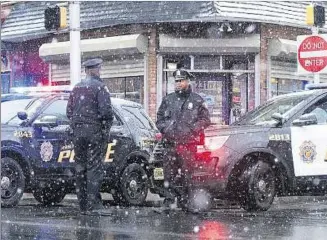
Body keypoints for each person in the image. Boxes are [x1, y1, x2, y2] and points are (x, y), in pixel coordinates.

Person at [156, 68, 211, 209]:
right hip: (171, 143)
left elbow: (205, 119)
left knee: (189, 175)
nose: (178, 84)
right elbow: (160, 119)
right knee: (169, 174)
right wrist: (166, 130)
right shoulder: (168, 99)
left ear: (188, 81)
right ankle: (169, 201)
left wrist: (192, 130)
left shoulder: (197, 100)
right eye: (176, 81)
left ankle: (187, 202)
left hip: (188, 144)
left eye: (181, 81)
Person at [66, 58, 114, 214]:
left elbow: (69, 111)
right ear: (96, 70)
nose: (100, 71)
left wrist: (77, 124)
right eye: (99, 69)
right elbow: (106, 112)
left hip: (78, 133)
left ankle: (82, 205)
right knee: (94, 167)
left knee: (80, 168)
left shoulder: (77, 88)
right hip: (94, 132)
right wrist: (104, 128)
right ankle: (92, 206)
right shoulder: (100, 88)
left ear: (86, 71)